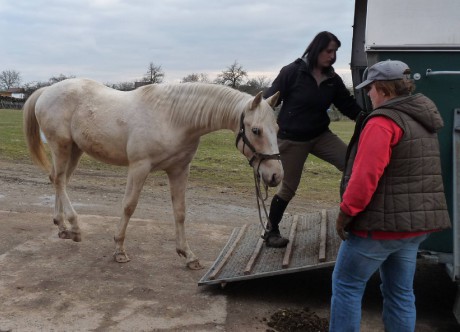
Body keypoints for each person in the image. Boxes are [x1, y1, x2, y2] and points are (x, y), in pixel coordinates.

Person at [329, 60, 451, 331]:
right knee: (401, 293)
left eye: (370, 88)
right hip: (414, 227)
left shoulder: (383, 122)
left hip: (380, 227)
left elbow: (364, 178)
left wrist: (346, 213)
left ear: (382, 88)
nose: (368, 94)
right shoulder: (422, 119)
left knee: (347, 285)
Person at [262, 31, 362, 247]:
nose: (332, 56)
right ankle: (271, 232)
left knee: (352, 164)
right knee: (288, 187)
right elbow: (268, 102)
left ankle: (353, 219)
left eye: (335, 51)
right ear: (317, 49)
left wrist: (370, 120)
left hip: (320, 135)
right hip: (292, 139)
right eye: (329, 51)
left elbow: (348, 106)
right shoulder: (292, 72)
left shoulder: (332, 80)